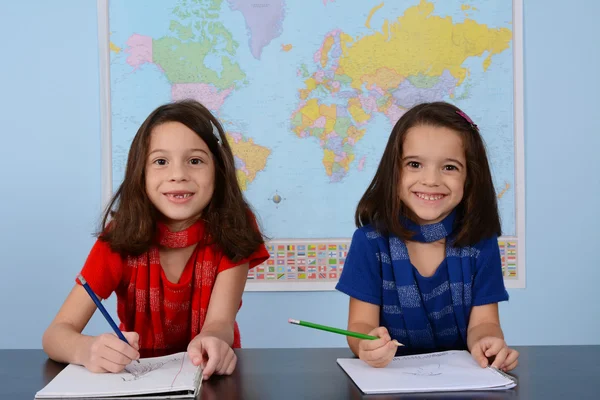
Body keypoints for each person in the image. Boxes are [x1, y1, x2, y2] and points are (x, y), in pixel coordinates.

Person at [42, 100, 269, 380]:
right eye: (160, 161)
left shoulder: (234, 227)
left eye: (195, 161)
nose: (178, 175)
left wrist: (212, 341)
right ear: (141, 173)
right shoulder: (118, 238)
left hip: (210, 378)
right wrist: (87, 349)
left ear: (218, 170)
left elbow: (220, 322)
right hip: (135, 380)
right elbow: (55, 334)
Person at [336, 101, 519, 372]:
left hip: (459, 382)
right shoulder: (369, 243)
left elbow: (483, 323)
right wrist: (366, 344)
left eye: (449, 167)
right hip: (390, 378)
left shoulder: (481, 243)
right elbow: (361, 325)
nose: (431, 180)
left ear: (470, 177)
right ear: (393, 172)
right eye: (414, 164)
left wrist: (488, 342)